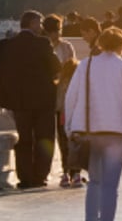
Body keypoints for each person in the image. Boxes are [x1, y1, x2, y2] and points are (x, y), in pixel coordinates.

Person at [64, 26, 122, 221]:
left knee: (94, 183)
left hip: (89, 132)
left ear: (101, 43)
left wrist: (69, 126)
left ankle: (91, 218)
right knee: (110, 185)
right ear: (121, 46)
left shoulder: (85, 65)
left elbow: (71, 97)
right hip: (117, 133)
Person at [0, 9, 60, 189]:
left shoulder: (5, 45)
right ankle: (39, 177)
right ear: (32, 23)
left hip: (18, 102)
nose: (41, 27)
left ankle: (24, 178)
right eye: (40, 23)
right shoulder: (43, 43)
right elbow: (56, 66)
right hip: (43, 101)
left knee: (24, 139)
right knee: (44, 138)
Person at [43, 13, 83, 187]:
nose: (57, 35)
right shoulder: (42, 47)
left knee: (70, 136)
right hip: (50, 99)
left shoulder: (67, 47)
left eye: (58, 31)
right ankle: (65, 171)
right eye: (54, 31)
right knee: (58, 137)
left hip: (66, 100)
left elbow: (74, 69)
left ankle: (74, 171)